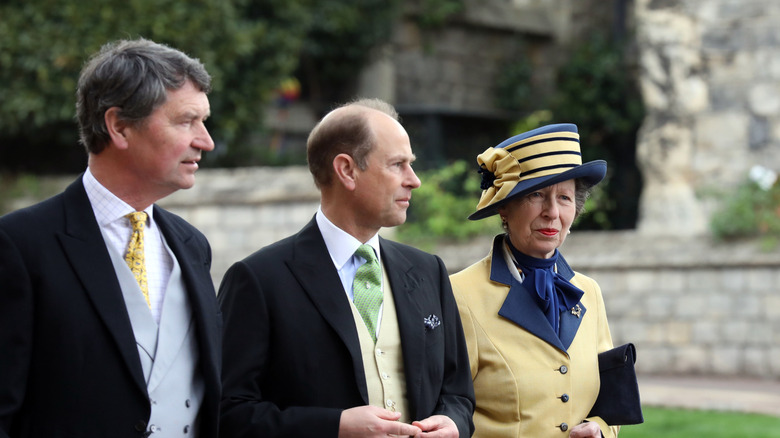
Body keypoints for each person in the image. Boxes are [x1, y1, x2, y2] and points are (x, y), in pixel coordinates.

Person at [0, 39, 221, 437]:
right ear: (118, 126)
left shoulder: (193, 245)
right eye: (186, 121)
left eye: (203, 122)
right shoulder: (19, 245)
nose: (205, 141)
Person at [218, 98, 475, 438]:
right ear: (347, 170)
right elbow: (228, 413)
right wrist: (334, 427)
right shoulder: (259, 279)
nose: (414, 180)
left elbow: (457, 392)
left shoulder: (429, 271)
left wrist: (453, 422)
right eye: (397, 164)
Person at [449, 123, 620, 438]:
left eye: (565, 198)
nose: (552, 212)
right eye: (537, 195)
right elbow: (449, 407)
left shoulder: (589, 292)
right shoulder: (460, 294)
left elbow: (609, 398)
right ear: (504, 206)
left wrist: (601, 429)